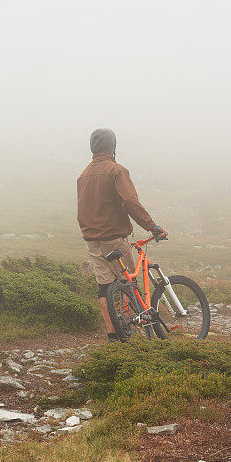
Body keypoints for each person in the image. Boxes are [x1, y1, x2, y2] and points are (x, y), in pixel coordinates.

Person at [77, 128, 167, 342]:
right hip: (114, 237)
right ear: (112, 147)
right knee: (127, 283)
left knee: (105, 286)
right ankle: (129, 328)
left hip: (92, 239)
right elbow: (130, 203)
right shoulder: (117, 171)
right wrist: (152, 227)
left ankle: (113, 334)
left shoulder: (83, 175)